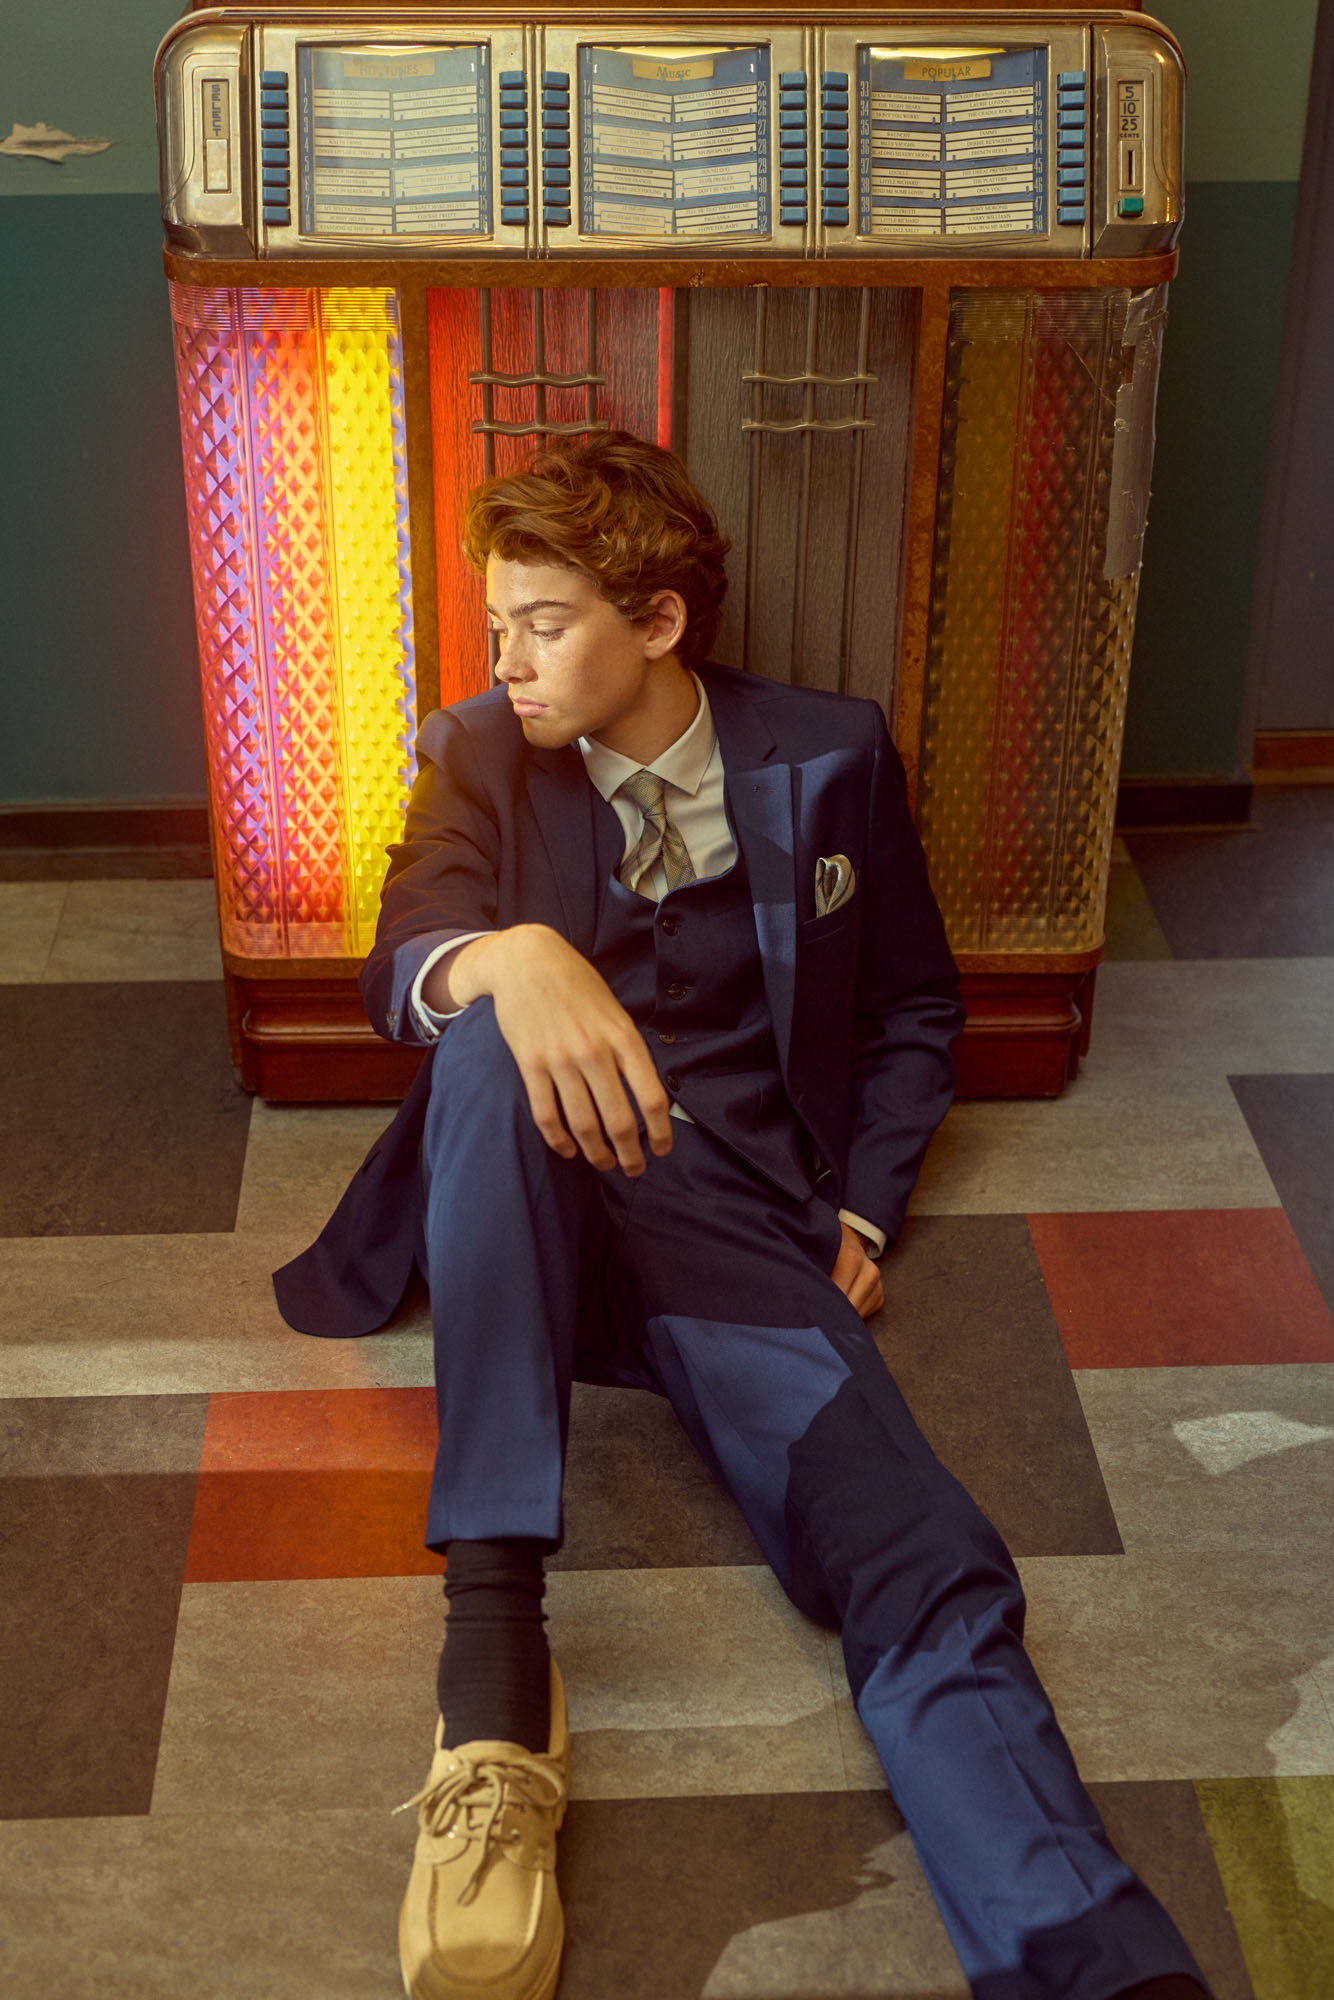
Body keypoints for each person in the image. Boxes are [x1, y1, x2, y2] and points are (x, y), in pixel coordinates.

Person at [274, 432, 1210, 2000]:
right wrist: (513, 955)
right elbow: (404, 965)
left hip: (728, 1222)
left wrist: (856, 1203)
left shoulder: (825, 755)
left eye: (544, 621)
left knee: (916, 1549)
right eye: (494, 621)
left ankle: (1088, 1961)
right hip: (524, 1218)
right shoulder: (477, 757)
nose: (504, 659)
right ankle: (493, 1662)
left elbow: (913, 1004)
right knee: (498, 1034)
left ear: (656, 623)